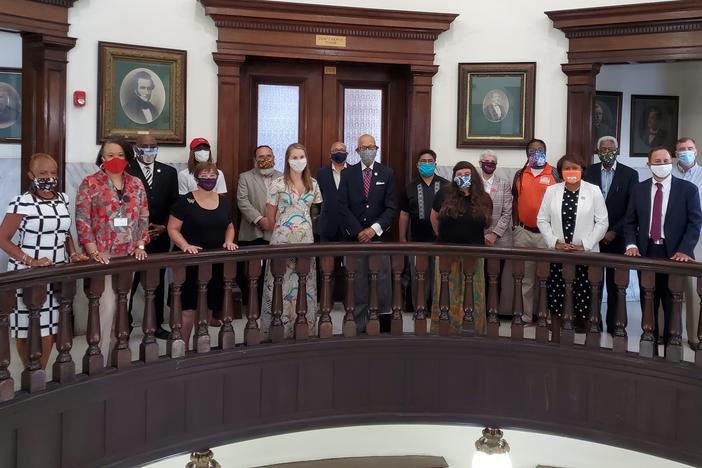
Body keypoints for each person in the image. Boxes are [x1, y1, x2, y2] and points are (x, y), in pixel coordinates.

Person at [0, 153, 88, 369]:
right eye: (42, 173)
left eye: (53, 172)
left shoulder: (63, 199)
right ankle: (30, 369)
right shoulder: (22, 202)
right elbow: (3, 238)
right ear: (31, 175)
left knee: (50, 326)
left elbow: (65, 232)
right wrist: (31, 260)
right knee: (26, 326)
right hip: (27, 272)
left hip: (55, 271)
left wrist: (73, 253)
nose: (49, 177)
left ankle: (40, 371)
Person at [75, 137, 150, 366]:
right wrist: (93, 250)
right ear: (102, 158)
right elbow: (82, 220)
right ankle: (100, 360)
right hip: (103, 257)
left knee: (122, 307)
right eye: (109, 155)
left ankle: (119, 360)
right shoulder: (90, 183)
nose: (114, 159)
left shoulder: (136, 184)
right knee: (105, 308)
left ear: (127, 156)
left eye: (119, 154)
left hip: (128, 255)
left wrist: (140, 244)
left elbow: (143, 217)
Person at [624, 147, 702, 350]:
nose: (662, 164)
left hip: (675, 254)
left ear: (672, 162)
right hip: (647, 252)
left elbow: (695, 223)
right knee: (648, 298)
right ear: (649, 164)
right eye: (657, 161)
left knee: (672, 302)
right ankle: (649, 340)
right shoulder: (639, 189)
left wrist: (685, 249)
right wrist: (631, 244)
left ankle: (671, 344)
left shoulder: (687, 189)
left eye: (665, 160)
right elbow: (630, 222)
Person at [167, 162, 238, 348]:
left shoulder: (223, 201)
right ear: (197, 177)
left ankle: (201, 346)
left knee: (205, 307)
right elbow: (173, 228)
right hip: (189, 262)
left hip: (213, 262)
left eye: (212, 174)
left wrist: (229, 241)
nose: (209, 178)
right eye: (205, 174)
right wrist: (185, 245)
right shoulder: (185, 201)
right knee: (187, 309)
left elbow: (229, 226)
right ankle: (181, 347)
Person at [538, 155, 608, 331]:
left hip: (585, 254)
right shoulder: (552, 190)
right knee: (556, 293)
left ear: (582, 170)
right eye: (567, 168)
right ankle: (557, 330)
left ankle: (584, 332)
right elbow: (542, 220)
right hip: (559, 253)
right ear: (561, 172)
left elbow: (602, 222)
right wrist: (555, 242)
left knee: (585, 294)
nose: (571, 172)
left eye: (575, 168)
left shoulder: (594, 190)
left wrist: (585, 244)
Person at [260, 143, 322, 338]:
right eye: (294, 157)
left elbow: (315, 213)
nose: (298, 161)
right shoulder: (278, 184)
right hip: (281, 240)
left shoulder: (313, 184)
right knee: (281, 283)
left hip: (305, 240)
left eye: (301, 156)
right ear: (287, 160)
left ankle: (303, 327)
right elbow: (270, 216)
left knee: (304, 283)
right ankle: (277, 329)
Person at [338, 134, 397, 334]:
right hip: (355, 239)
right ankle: (359, 325)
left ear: (376, 148)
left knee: (381, 282)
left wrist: (373, 229)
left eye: (371, 147)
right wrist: (358, 231)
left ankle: (381, 324)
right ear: (357, 151)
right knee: (358, 284)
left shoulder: (387, 173)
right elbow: (342, 207)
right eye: (364, 147)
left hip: (378, 238)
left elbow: (390, 208)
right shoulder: (348, 174)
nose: (368, 150)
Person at [583, 136, 638, 334]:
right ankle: (593, 323)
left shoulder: (630, 174)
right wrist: (598, 232)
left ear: (617, 150)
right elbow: (584, 204)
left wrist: (615, 230)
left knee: (617, 285)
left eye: (611, 148)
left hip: (618, 237)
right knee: (594, 283)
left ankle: (615, 325)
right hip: (593, 237)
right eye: (603, 148)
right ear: (598, 151)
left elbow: (632, 209)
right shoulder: (588, 171)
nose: (607, 151)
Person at [429, 161, 492, 334]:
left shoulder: (483, 198)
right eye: (459, 174)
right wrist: (441, 236)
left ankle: (474, 329)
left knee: (472, 292)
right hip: (446, 252)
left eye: (467, 174)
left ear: (474, 177)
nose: (463, 177)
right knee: (446, 291)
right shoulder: (444, 193)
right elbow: (434, 218)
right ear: (454, 177)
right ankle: (445, 328)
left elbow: (486, 222)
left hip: (474, 253)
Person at [126, 134, 179, 339]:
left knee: (156, 283)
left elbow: (175, 203)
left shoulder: (168, 172)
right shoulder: (126, 170)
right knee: (128, 284)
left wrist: (165, 227)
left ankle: (156, 325)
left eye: (153, 146)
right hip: (132, 240)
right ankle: (125, 325)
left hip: (159, 238)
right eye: (145, 146)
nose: (149, 150)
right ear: (136, 147)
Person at [512, 139, 561, 325]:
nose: (536, 152)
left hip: (547, 235)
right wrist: (515, 226)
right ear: (527, 154)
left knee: (547, 277)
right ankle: (527, 315)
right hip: (524, 233)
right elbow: (515, 201)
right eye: (532, 150)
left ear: (546, 152)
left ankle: (546, 316)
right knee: (526, 279)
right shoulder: (519, 174)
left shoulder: (554, 173)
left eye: (540, 149)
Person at [399, 149, 448, 311]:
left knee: (439, 276)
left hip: (440, 241)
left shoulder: (446, 186)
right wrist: (402, 239)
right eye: (423, 161)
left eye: (429, 161)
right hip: (417, 239)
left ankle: (437, 309)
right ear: (417, 165)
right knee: (419, 276)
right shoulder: (410, 187)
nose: (426, 164)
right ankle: (419, 309)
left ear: (435, 164)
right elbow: (404, 214)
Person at [236, 145, 283, 304]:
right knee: (250, 271)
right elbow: (242, 201)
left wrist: (271, 220)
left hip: (275, 231)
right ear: (255, 160)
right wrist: (260, 219)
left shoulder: (283, 177)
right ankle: (251, 303)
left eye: (268, 156)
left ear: (274, 158)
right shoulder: (245, 177)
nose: (265, 160)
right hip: (252, 231)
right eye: (261, 157)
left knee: (273, 270)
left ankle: (270, 302)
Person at [672, 137, 702, 348]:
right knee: (669, 286)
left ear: (696, 151)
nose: (685, 152)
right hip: (671, 236)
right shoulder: (668, 172)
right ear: (675, 154)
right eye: (681, 149)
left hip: (696, 237)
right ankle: (668, 331)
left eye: (689, 149)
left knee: (693, 288)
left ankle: (693, 336)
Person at [478, 150, 513, 307]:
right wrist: (481, 234)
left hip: (499, 240)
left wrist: (494, 234)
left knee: (495, 278)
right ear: (480, 163)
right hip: (476, 238)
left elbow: (507, 213)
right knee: (478, 277)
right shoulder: (473, 183)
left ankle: (493, 313)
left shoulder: (504, 184)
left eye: (493, 162)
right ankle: (478, 314)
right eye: (486, 161)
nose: (489, 164)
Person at [315, 141, 348, 242]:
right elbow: (318, 198)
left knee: (348, 257)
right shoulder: (321, 173)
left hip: (348, 226)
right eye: (335, 151)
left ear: (346, 154)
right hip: (327, 226)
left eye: (342, 150)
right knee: (326, 257)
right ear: (330, 155)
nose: (339, 153)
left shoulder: (353, 171)